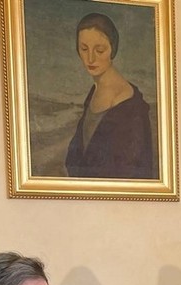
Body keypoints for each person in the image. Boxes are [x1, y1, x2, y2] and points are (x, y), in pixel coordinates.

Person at [65, 12, 155, 179]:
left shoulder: (129, 105)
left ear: (113, 49)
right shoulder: (94, 92)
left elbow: (130, 171)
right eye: (84, 49)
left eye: (100, 50)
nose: (90, 58)